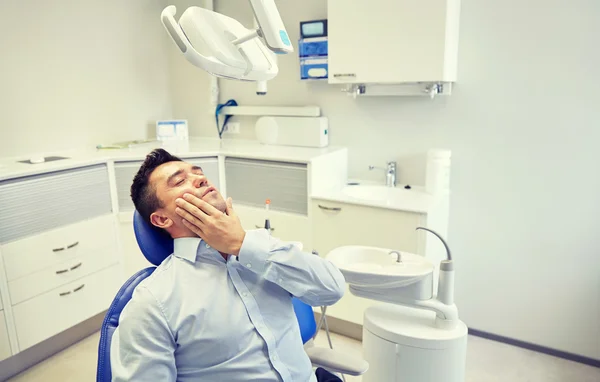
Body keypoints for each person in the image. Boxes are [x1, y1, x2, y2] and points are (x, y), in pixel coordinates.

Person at [110, 148, 346, 382]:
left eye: (198, 173)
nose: (200, 178)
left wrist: (242, 244)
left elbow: (333, 289)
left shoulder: (263, 250)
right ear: (162, 218)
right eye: (180, 181)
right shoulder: (153, 302)